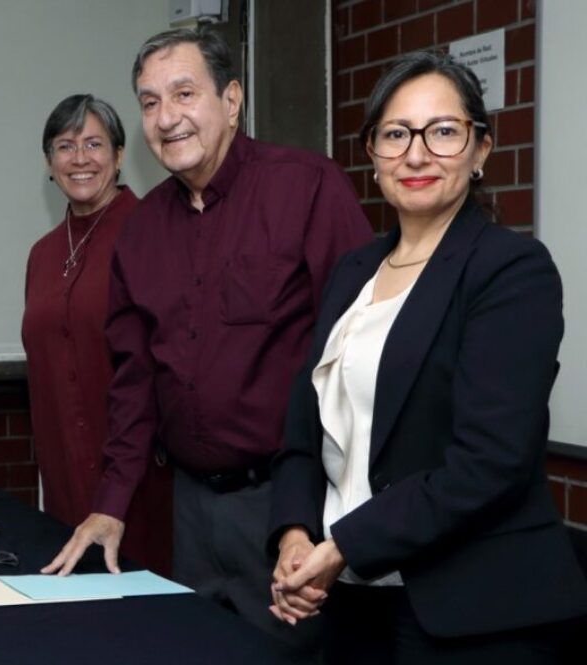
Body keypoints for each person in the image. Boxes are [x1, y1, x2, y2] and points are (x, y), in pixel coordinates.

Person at [41, 27, 372, 649]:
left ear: (232, 99)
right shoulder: (139, 235)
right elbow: (134, 382)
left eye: (184, 93)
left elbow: (360, 347)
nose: (166, 118)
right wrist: (111, 504)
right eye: (148, 102)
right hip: (188, 511)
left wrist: (327, 520)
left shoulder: (305, 187)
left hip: (287, 510)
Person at [267, 51, 587, 664]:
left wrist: (341, 547)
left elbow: (488, 461)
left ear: (481, 150)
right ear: (373, 155)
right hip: (354, 604)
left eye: (442, 132)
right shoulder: (352, 272)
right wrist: (292, 536)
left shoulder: (510, 269)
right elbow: (303, 436)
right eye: (395, 134)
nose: (416, 154)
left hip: (475, 615)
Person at [22, 94, 172, 576]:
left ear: (120, 155)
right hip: (62, 466)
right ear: (49, 162)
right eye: (66, 146)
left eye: (94, 143)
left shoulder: (152, 232)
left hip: (140, 473)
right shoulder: (42, 255)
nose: (80, 158)